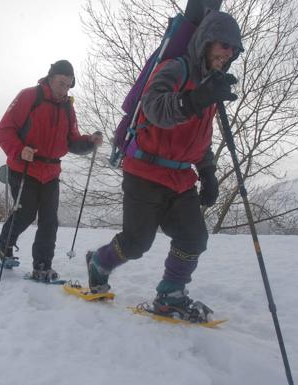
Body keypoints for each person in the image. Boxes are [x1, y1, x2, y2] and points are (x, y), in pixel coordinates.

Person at [86, 11, 244, 322]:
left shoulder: (211, 86)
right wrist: (193, 100)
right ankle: (99, 263)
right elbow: (153, 108)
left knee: (194, 239)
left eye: (233, 48)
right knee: (136, 243)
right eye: (223, 45)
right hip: (144, 171)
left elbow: (202, 137)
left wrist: (208, 172)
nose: (227, 53)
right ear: (207, 41)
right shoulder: (176, 68)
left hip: (180, 177)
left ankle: (170, 294)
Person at [0, 59, 103, 281]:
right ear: (51, 78)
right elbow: (5, 129)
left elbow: (72, 140)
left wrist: (89, 142)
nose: (64, 89)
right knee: (25, 214)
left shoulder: (67, 107)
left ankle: (42, 266)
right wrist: (19, 150)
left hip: (51, 172)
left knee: (49, 221)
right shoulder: (29, 96)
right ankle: (4, 243)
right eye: (61, 83)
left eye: (69, 84)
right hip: (24, 168)